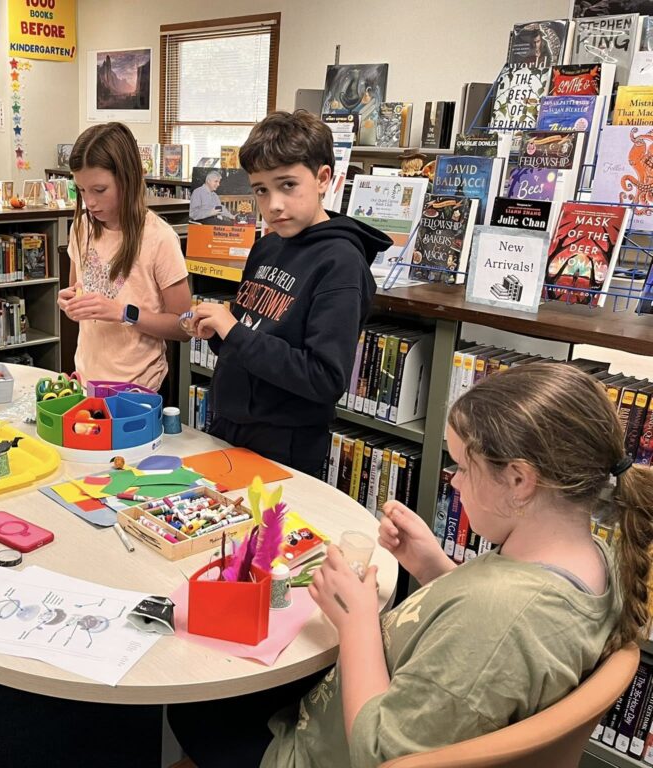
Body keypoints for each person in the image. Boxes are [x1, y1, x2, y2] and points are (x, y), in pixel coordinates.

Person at [173, 362, 649, 767]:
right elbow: (482, 648)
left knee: (191, 706)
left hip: (316, 752)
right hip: (360, 705)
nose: (454, 482)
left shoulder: (501, 618)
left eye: (463, 466)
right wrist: (434, 567)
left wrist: (357, 620)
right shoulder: (592, 559)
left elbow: (380, 754)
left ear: (521, 480)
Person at [186, 110, 391, 474]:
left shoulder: (340, 262)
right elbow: (253, 336)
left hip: (285, 442)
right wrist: (217, 331)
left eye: (288, 185)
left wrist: (233, 331)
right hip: (228, 426)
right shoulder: (269, 245)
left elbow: (324, 377)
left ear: (323, 178)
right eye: (261, 190)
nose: (273, 204)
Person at [57, 122, 192, 391]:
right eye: (81, 190)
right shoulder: (81, 227)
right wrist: (70, 300)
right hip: (87, 381)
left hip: (139, 389)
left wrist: (122, 312)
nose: (90, 202)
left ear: (127, 179)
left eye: (99, 190)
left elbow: (184, 326)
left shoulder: (158, 237)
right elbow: (77, 290)